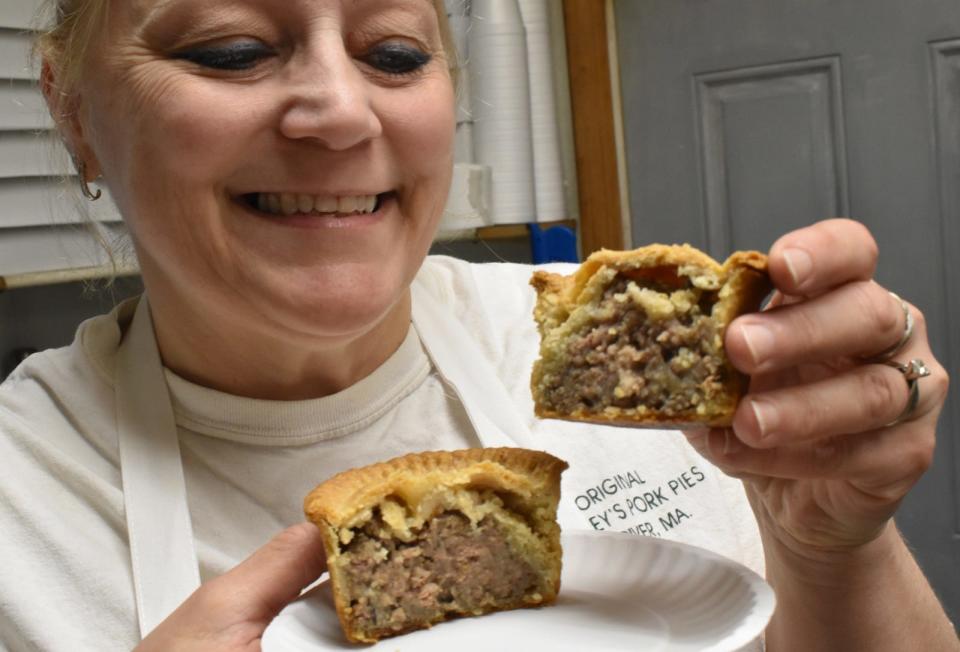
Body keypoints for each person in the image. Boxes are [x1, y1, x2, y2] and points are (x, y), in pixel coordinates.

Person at [0, 0, 956, 649]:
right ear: (74, 111)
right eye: (232, 50)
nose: (339, 112)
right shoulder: (23, 500)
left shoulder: (657, 364)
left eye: (394, 54)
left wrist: (834, 547)